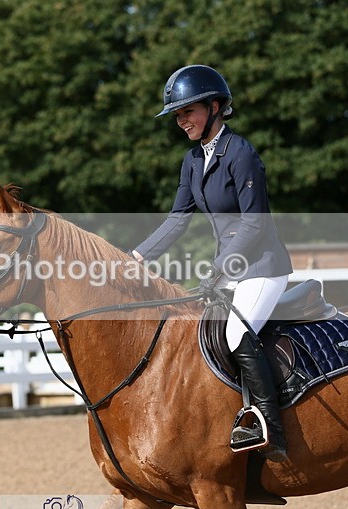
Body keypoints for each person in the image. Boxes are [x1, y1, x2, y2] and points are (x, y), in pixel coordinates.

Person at [130, 65, 293, 462]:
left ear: (215, 106)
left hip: (262, 267)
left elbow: (255, 223)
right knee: (199, 336)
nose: (181, 120)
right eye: (177, 115)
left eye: (188, 111)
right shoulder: (192, 160)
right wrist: (134, 258)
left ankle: (269, 426)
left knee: (236, 336)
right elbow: (177, 220)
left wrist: (220, 266)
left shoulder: (241, 153)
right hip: (231, 267)